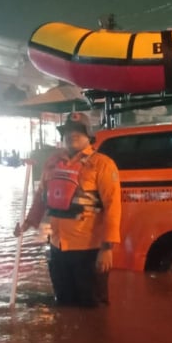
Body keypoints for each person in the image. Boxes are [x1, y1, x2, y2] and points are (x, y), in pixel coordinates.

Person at [15, 112, 121, 307]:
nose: (73, 135)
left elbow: (113, 207)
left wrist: (107, 249)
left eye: (79, 131)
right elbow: (41, 196)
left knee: (93, 309)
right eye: (69, 131)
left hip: (89, 251)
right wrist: (29, 223)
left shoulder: (103, 164)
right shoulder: (53, 162)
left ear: (89, 135)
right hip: (57, 248)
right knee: (63, 304)